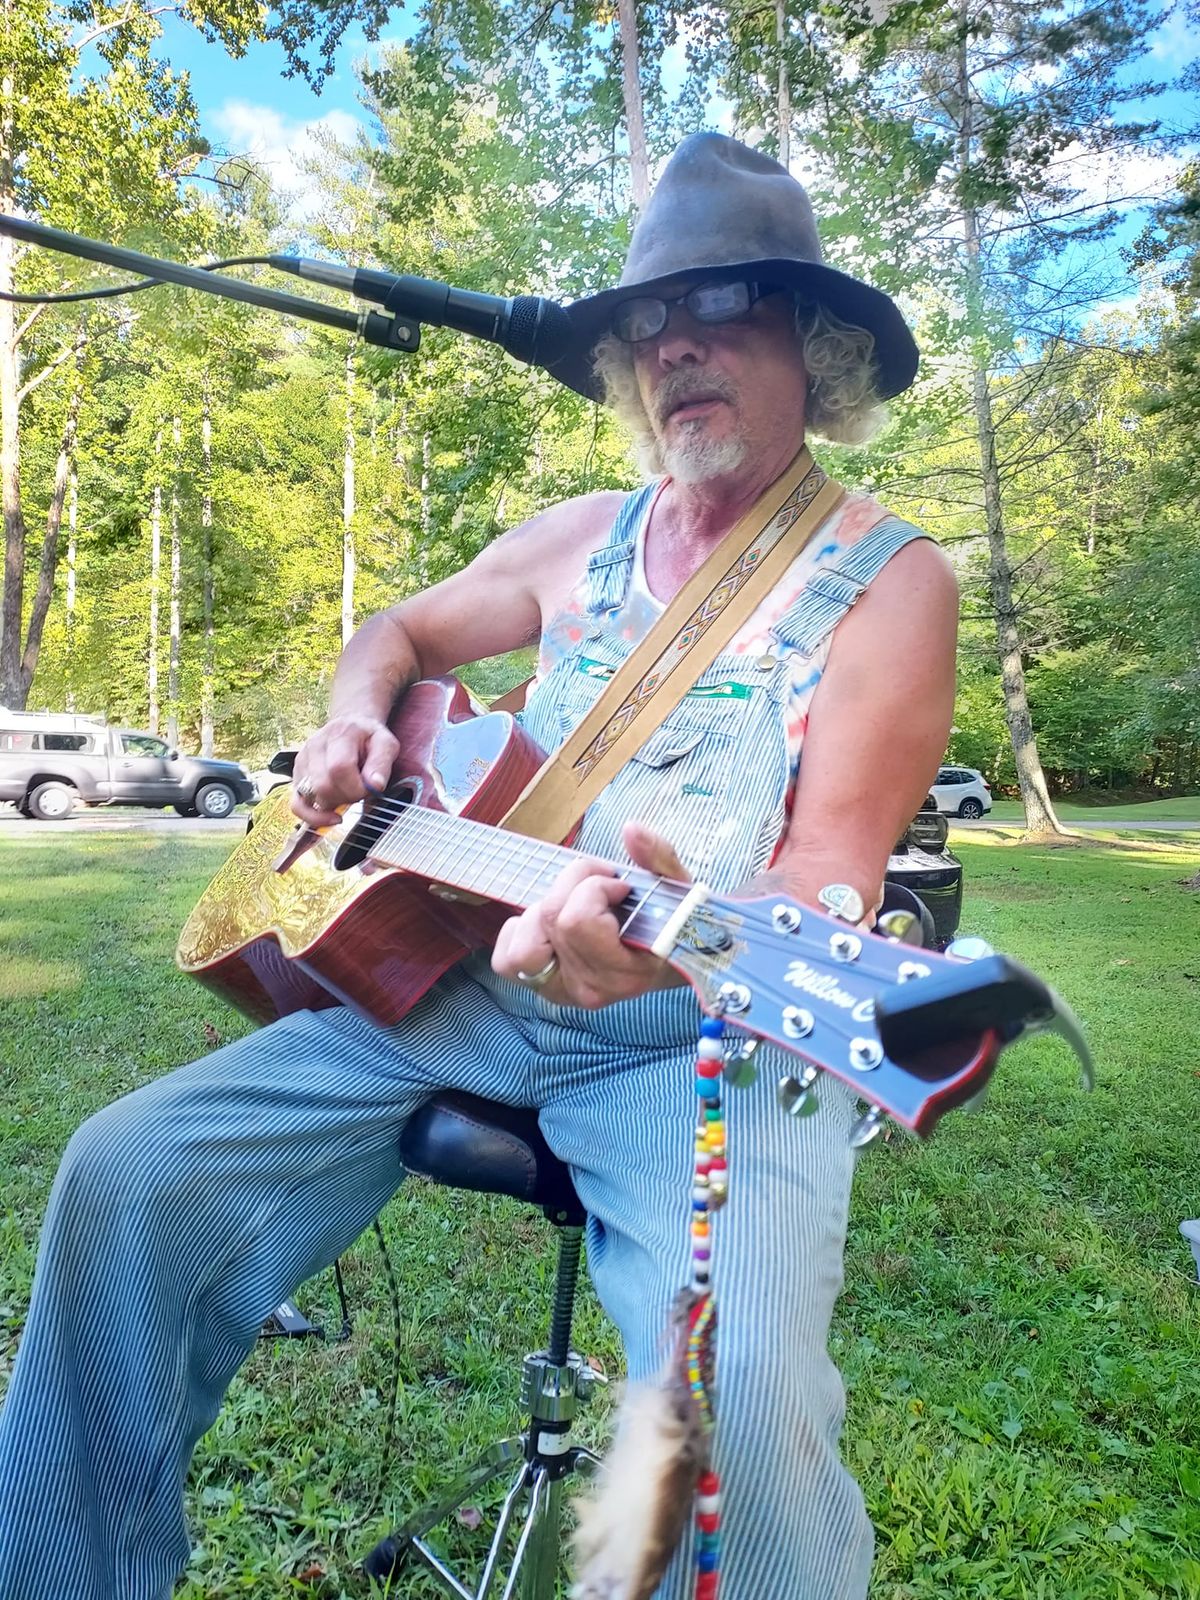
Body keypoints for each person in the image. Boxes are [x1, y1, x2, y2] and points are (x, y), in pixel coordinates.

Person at [0, 132, 957, 1599]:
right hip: (460, 979)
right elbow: (391, 638)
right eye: (650, 321)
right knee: (123, 1177)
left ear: (818, 348)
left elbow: (829, 872)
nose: (677, 346)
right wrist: (344, 728)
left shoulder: (888, 583)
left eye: (726, 309)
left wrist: (673, 944)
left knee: (741, 1399)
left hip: (701, 1032)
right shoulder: (581, 537)